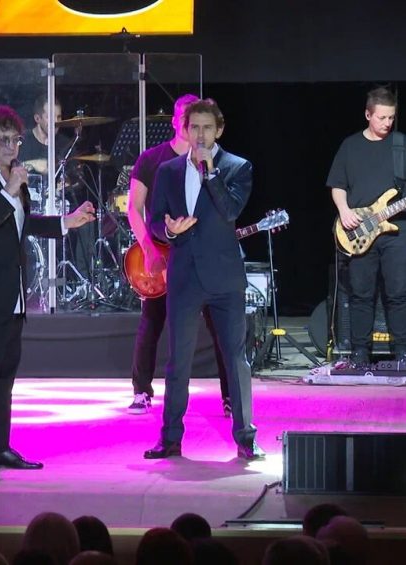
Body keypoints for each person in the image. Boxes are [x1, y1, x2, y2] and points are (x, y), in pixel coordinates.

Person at [0, 105, 96, 475]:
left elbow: (21, 224)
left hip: (12, 291)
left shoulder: (12, 174)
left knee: (5, 375)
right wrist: (10, 189)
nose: (12, 147)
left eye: (15, 140)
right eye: (3, 140)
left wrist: (66, 222)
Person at [144, 99, 264, 461]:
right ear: (184, 129)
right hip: (185, 276)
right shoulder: (167, 170)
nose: (200, 135)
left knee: (235, 358)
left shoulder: (237, 167)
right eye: (194, 127)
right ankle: (170, 438)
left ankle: (246, 438)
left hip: (225, 278)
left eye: (207, 127)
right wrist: (168, 229)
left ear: (219, 130)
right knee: (178, 360)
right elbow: (154, 220)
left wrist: (210, 173)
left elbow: (230, 210)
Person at [125, 95, 232, 416]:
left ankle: (230, 396)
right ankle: (141, 391)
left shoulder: (214, 161)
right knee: (152, 321)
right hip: (162, 254)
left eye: (200, 121)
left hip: (202, 259)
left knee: (219, 325)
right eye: (187, 119)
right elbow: (134, 208)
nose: (194, 127)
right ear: (176, 122)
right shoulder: (152, 160)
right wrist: (148, 250)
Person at [328, 86, 405, 366]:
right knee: (361, 294)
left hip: (397, 231)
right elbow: (337, 185)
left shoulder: (401, 145)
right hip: (359, 231)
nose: (387, 123)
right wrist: (344, 211)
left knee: (399, 294)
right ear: (368, 114)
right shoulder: (350, 146)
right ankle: (359, 352)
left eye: (391, 117)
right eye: (382, 117)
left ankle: (403, 352)